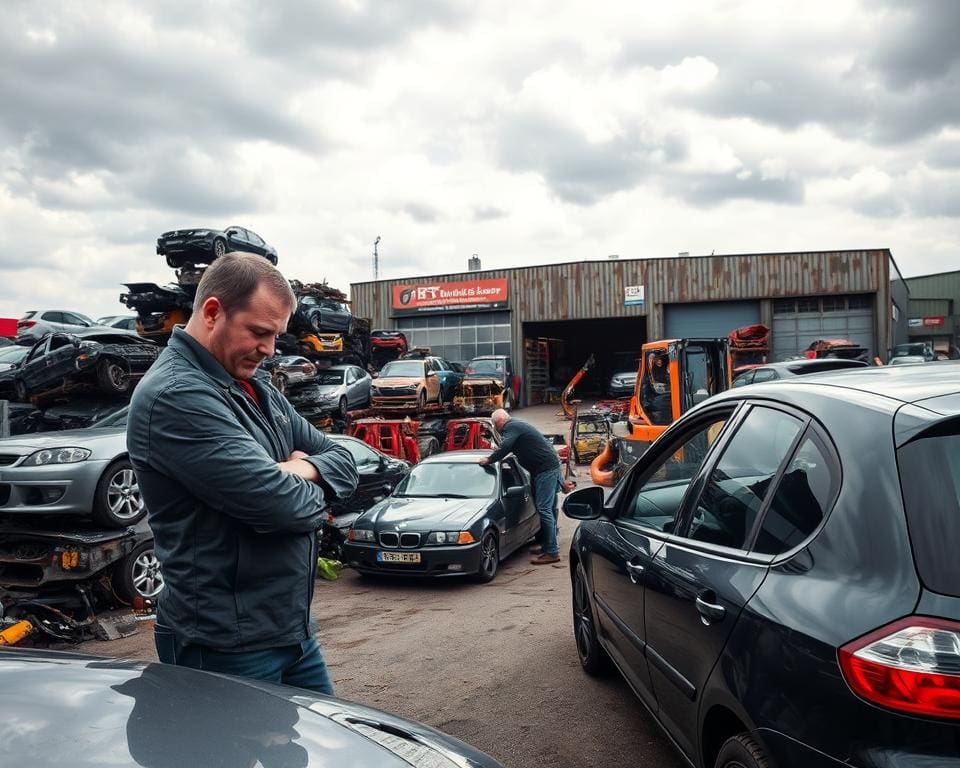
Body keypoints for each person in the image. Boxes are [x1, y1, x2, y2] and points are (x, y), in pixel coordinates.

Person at [127, 252, 358, 696]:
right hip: (224, 643)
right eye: (259, 332)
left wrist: (301, 467)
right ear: (213, 312)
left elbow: (344, 458)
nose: (270, 350)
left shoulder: (257, 388)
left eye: (276, 335)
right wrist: (307, 486)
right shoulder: (177, 396)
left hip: (290, 631)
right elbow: (283, 507)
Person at [479, 409, 563, 564]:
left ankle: (552, 552)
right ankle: (547, 545)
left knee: (544, 509)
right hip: (543, 470)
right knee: (547, 508)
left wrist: (489, 460)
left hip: (545, 471)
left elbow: (505, 447)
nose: (497, 429)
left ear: (499, 422)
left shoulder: (511, 427)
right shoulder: (517, 425)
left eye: (495, 425)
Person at [641, 351, 672, 425]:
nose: (659, 361)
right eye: (657, 360)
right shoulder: (651, 370)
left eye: (659, 359)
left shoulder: (667, 366)